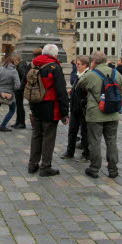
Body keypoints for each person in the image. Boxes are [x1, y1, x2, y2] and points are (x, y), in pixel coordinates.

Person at [78, 51, 122, 179]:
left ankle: (94, 168)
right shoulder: (117, 74)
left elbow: (79, 84)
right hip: (113, 113)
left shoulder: (91, 75)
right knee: (111, 141)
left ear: (93, 62)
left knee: (95, 141)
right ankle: (113, 169)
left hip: (95, 113)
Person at [28, 44, 69, 177]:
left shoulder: (33, 65)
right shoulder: (55, 67)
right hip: (50, 107)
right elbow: (61, 91)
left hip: (35, 105)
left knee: (36, 136)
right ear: (55, 55)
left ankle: (32, 164)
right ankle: (45, 167)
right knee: (48, 138)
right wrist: (64, 112)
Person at [61, 55, 90, 160]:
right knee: (72, 131)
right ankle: (69, 152)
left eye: (78, 64)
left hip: (83, 109)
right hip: (74, 108)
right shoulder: (80, 74)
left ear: (85, 65)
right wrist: (72, 91)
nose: (76, 66)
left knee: (85, 132)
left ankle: (86, 154)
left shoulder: (87, 75)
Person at [0, 57, 21, 132]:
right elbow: (18, 85)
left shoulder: (1, 69)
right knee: (12, 110)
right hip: (10, 93)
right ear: (13, 62)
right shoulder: (14, 71)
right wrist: (13, 89)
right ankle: (3, 126)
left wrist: (0, 86)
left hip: (0, 92)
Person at [12, 55, 29, 129]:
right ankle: (18, 122)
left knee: (20, 106)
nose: (13, 63)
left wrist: (19, 87)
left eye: (14, 61)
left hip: (20, 90)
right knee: (18, 106)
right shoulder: (21, 65)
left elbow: (24, 77)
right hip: (20, 89)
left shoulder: (20, 66)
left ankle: (22, 123)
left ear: (16, 60)